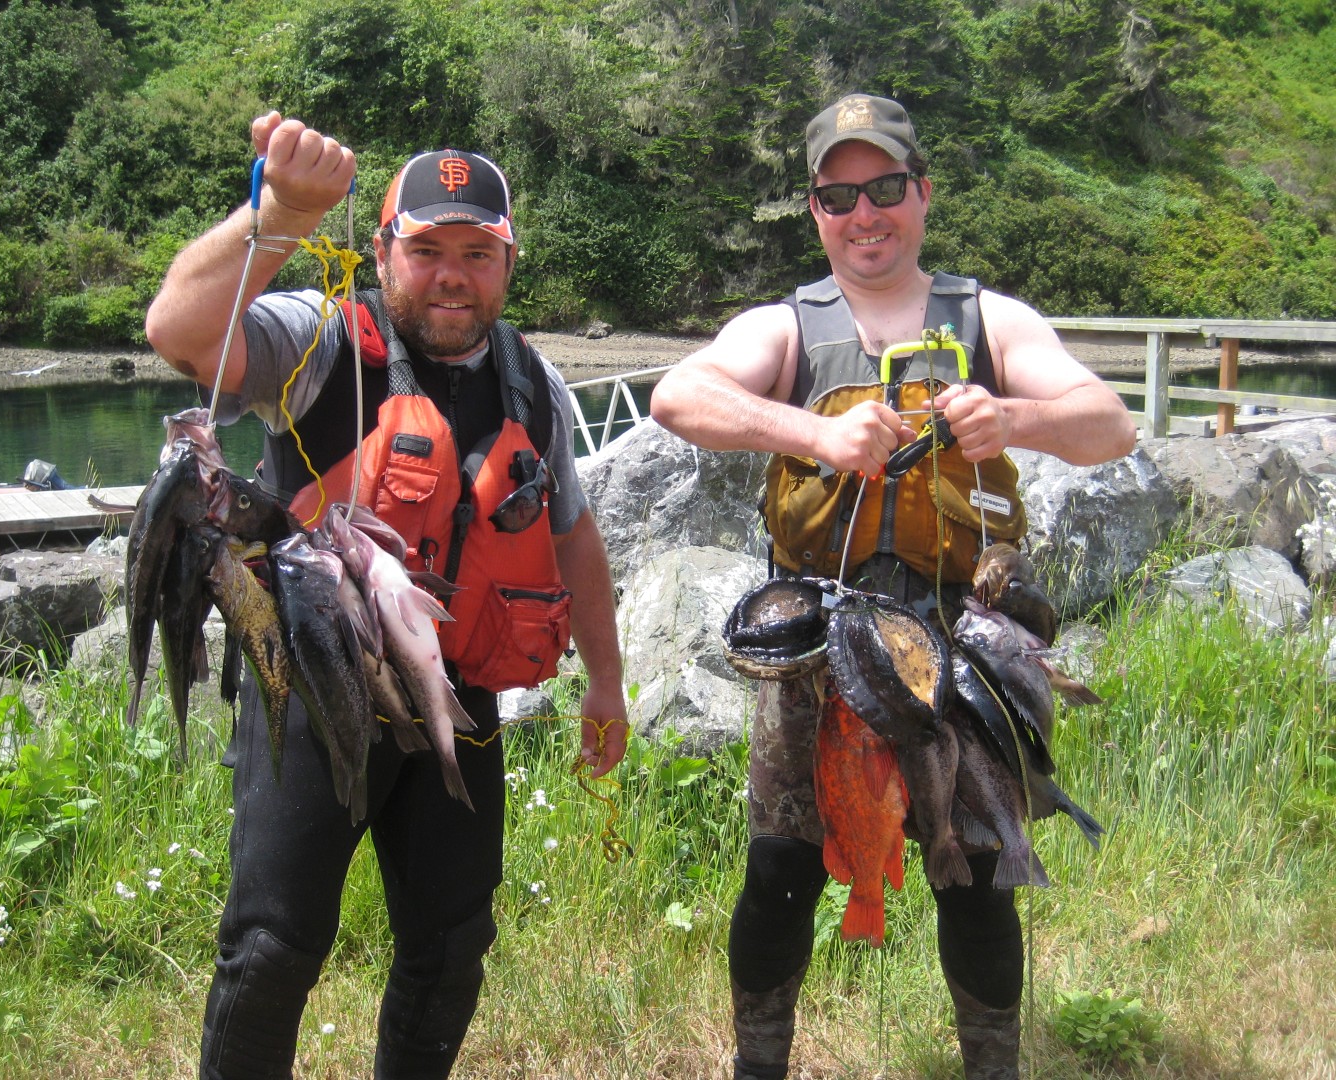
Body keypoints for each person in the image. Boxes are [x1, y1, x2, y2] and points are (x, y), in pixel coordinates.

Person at [649, 92, 1136, 1079]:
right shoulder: (785, 326)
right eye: (837, 196)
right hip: (818, 650)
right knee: (780, 872)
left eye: (883, 189)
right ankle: (759, 1064)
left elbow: (1110, 424)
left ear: (922, 191)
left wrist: (1015, 420)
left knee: (980, 879)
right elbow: (678, 395)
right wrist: (815, 433)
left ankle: (990, 1065)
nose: (862, 215)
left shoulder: (990, 320)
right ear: (816, 210)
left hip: (965, 645)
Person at [145, 112, 629, 1079]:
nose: (453, 274)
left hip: (460, 699)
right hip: (317, 687)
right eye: (428, 249)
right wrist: (278, 209)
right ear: (382, 250)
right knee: (273, 949)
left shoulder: (529, 378)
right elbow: (179, 331)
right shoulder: (321, 336)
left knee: (451, 952)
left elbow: (572, 534)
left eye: (478, 254)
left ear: (509, 261)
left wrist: (605, 684)